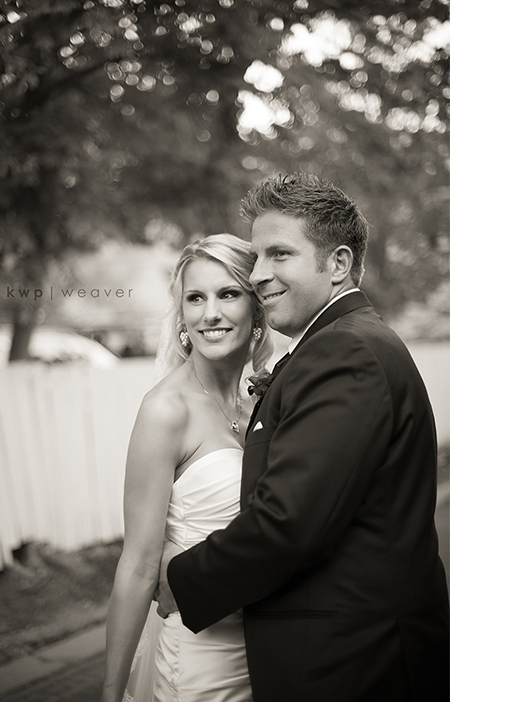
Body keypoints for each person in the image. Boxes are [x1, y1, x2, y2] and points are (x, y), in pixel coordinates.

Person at [156, 174, 450, 701]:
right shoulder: (344, 343)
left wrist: (182, 581)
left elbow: (289, 523)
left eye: (280, 255)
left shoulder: (344, 353)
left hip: (353, 664)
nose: (258, 275)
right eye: (256, 258)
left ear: (338, 264)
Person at [101, 234, 272, 702]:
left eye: (228, 294)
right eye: (195, 298)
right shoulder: (166, 410)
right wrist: (110, 693)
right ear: (181, 315)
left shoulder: (261, 401)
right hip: (200, 658)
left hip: (265, 649)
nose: (209, 313)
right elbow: (138, 566)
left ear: (257, 308)